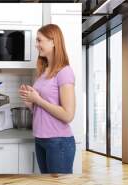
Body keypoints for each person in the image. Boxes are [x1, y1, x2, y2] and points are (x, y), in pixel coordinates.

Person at [19, 24, 76, 174]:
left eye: (39, 40)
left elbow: (68, 115)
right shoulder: (44, 72)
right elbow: (43, 109)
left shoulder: (64, 72)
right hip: (41, 139)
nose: (36, 45)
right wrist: (30, 103)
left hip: (58, 142)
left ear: (53, 41)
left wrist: (38, 100)